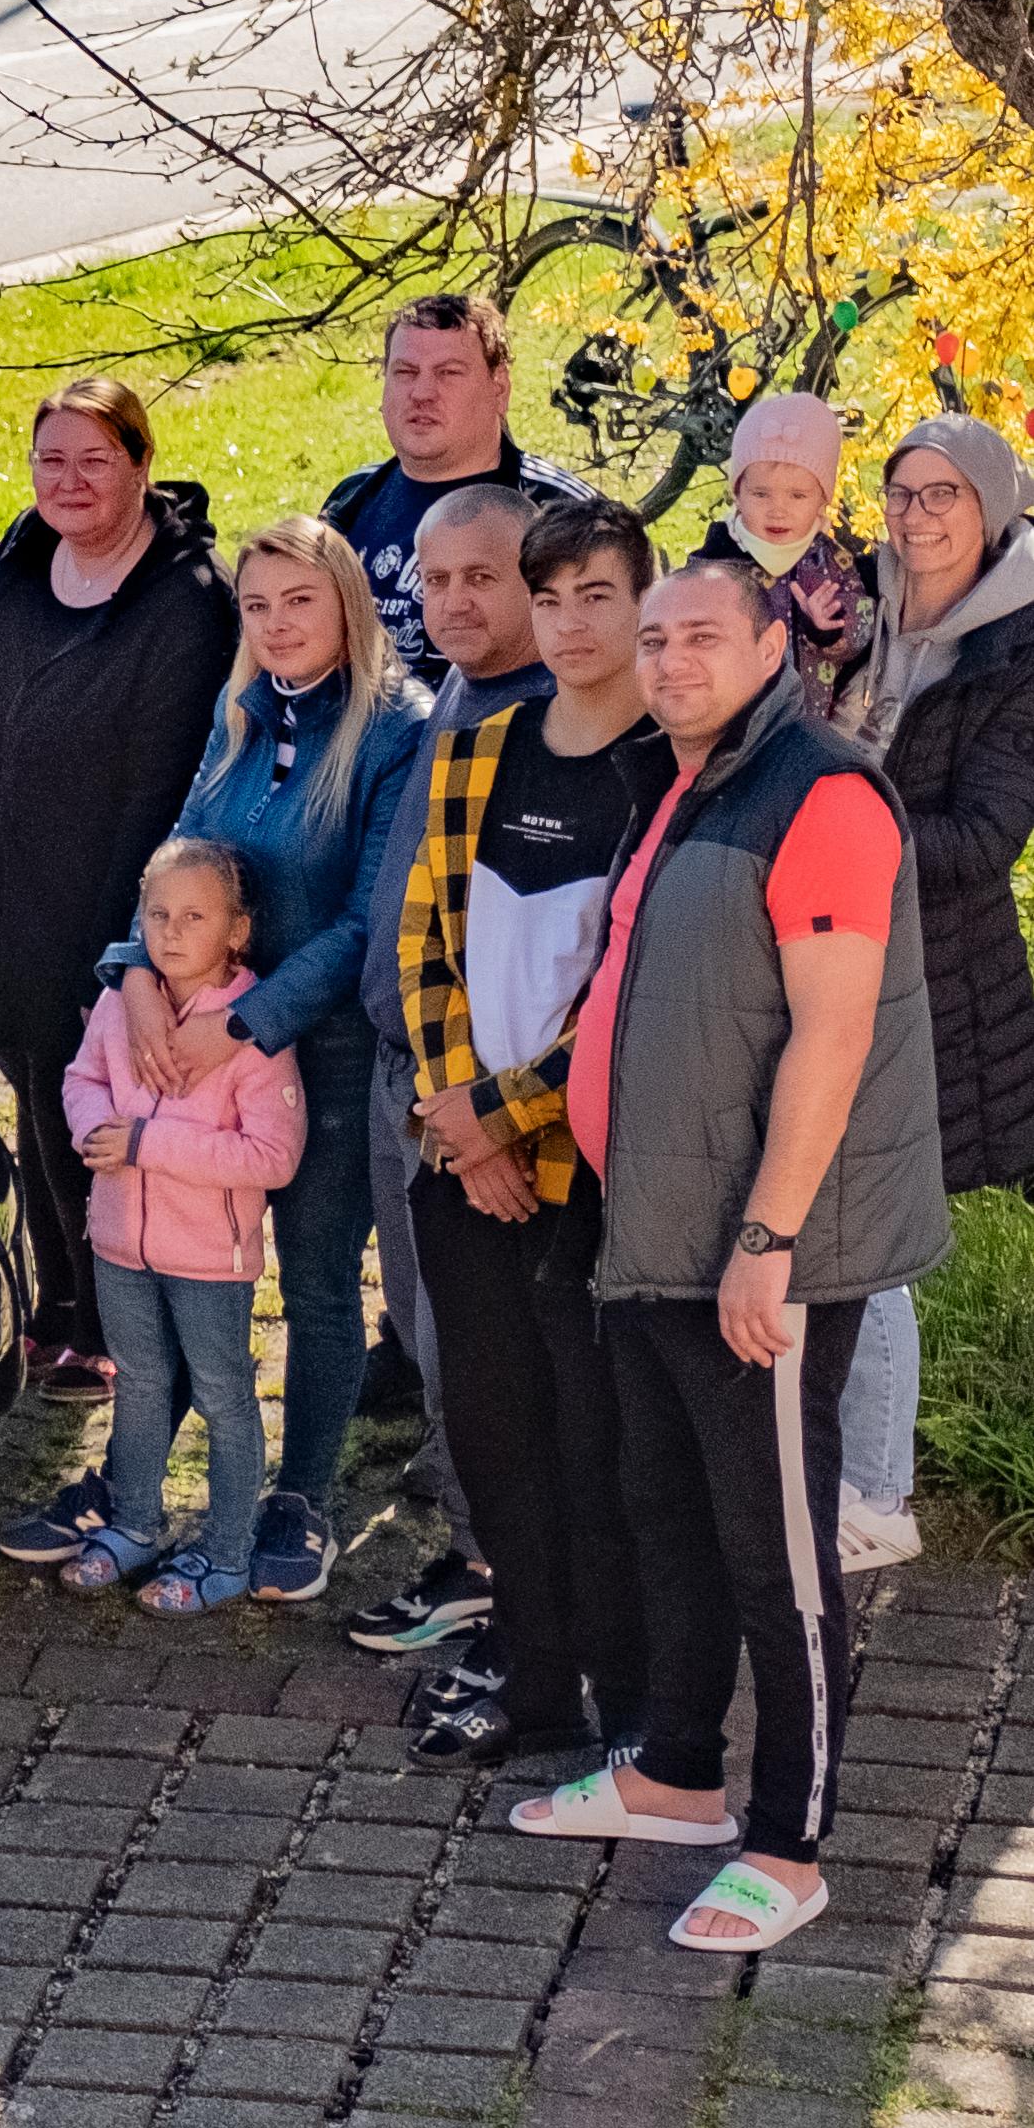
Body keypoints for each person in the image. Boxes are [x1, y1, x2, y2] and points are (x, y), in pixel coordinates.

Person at [518, 556, 947, 1959]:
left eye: (701, 633)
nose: (669, 658)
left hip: (755, 1252)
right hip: (656, 1237)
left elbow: (831, 1037)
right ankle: (675, 1777)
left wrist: (764, 1241)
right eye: (653, 638)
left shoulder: (816, 789)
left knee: (778, 1557)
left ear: (777, 643)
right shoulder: (694, 779)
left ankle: (789, 1842)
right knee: (669, 1518)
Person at [34, 518, 429, 1603]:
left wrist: (246, 1025)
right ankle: (133, 1490)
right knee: (168, 1263)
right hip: (195, 1049)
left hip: (327, 1052)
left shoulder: (396, 730)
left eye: (296, 601)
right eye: (255, 606)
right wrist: (129, 970)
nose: (274, 624)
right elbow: (176, 858)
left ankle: (298, 1492)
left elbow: (367, 920)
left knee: (309, 1280)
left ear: (345, 603)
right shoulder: (241, 718)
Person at [389, 497, 669, 1771]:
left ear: (641, 605)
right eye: (545, 597)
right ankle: (536, 1675)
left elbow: (632, 990)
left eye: (593, 596)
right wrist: (462, 1125)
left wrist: (499, 1120)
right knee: (495, 1435)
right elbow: (422, 947)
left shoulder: (669, 773)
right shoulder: (474, 752)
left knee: (591, 1450)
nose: (566, 623)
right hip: (463, 1165)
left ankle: (631, 1695)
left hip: (592, 1183)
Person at [0, 382, 240, 1394]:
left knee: (84, 1114)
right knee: (34, 1102)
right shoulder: (25, 549)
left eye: (93, 459)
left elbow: (160, 785)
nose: (69, 481)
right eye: (50, 460)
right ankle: (56, 1300)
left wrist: (118, 946)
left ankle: (103, 1321)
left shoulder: (185, 601)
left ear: (140, 463)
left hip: (90, 910)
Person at [339, 482, 557, 1668]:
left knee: (482, 1348)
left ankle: (498, 1580)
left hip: (471, 1099)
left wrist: (479, 1111)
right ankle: (487, 1551)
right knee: (431, 1333)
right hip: (399, 1070)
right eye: (433, 578)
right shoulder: (455, 692)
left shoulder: (551, 724)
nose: (453, 599)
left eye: (483, 576)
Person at [25, 839, 307, 1608]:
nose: (172, 932)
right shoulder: (120, 1005)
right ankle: (134, 1526)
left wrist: (149, 1144)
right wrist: (92, 1129)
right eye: (157, 915)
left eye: (194, 916)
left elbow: (272, 1157)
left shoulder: (249, 1033)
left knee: (222, 1396)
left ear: (237, 930)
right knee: (141, 1385)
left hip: (209, 1258)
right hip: (120, 1244)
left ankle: (223, 1553)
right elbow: (80, 1077)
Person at [864, 415, 1034, 1573]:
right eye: (900, 492)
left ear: (992, 512)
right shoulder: (850, 619)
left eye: (944, 496)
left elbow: (982, 836)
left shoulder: (1014, 652)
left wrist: (826, 836)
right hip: (822, 960)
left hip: (941, 974)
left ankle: (872, 1492)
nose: (917, 515)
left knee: (867, 1224)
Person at [316, 293, 591, 684]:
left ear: (500, 389)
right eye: (405, 373)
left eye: (448, 373)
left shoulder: (558, 511)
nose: (422, 393)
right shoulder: (352, 498)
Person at [708, 393, 881, 733]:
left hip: (806, 724)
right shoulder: (717, 561)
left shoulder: (831, 561)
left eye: (797, 496)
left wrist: (827, 629)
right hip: (730, 724)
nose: (778, 509)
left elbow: (861, 629)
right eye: (761, 494)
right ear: (738, 495)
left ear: (822, 500)